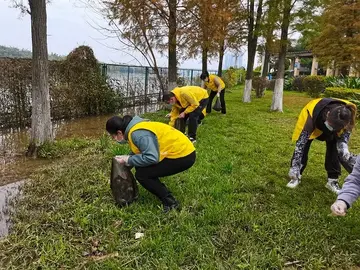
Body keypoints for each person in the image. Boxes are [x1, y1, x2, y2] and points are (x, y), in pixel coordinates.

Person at [106, 115, 196, 213]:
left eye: (113, 136)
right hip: (182, 150)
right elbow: (142, 150)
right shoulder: (136, 127)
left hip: (183, 155)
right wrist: (127, 161)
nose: (114, 139)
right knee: (141, 168)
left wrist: (129, 159)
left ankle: (170, 203)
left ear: (119, 132)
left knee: (142, 175)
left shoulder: (137, 133)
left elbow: (152, 157)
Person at [287, 98, 357, 193]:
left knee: (335, 149)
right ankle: (296, 176)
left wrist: (348, 158)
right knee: (304, 147)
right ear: (327, 114)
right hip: (314, 121)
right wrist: (294, 167)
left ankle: (332, 181)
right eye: (331, 126)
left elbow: (343, 144)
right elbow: (300, 145)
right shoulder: (311, 115)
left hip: (334, 125)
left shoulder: (347, 116)